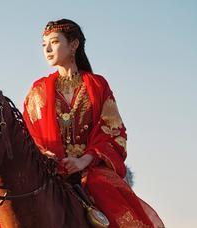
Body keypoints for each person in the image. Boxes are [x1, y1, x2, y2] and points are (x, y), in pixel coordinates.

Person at [22, 19, 165, 227]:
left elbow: (113, 131)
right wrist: (45, 154)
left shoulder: (98, 86)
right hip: (51, 170)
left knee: (103, 189)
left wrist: (83, 161)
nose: (48, 49)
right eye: (44, 45)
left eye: (53, 42)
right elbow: (28, 134)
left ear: (74, 45)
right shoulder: (37, 92)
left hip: (90, 170)